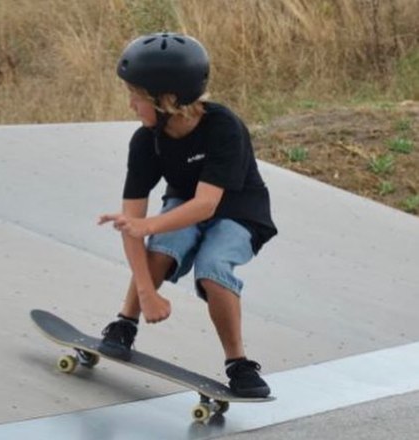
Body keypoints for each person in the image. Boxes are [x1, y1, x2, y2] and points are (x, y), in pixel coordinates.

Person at [96, 32, 277, 398]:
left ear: (168, 100)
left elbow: (207, 205)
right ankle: (124, 324)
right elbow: (133, 224)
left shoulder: (224, 127)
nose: (131, 105)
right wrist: (147, 293)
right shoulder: (146, 142)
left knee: (213, 267)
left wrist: (148, 224)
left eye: (137, 96)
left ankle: (238, 363)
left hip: (240, 210)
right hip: (184, 204)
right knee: (163, 247)